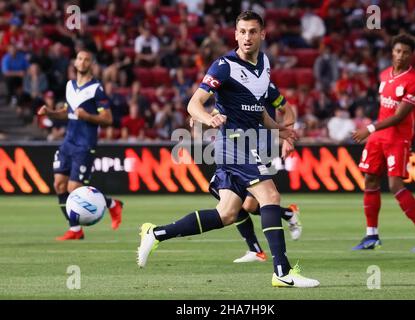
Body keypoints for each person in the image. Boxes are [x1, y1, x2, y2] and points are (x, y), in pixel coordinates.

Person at [137, 11, 319, 288]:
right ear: (235, 34)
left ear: (262, 35)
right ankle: (282, 272)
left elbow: (258, 111)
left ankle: (156, 233)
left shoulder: (265, 65)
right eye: (242, 31)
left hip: (245, 142)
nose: (247, 37)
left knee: (227, 214)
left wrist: (280, 130)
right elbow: (193, 103)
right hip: (233, 143)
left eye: (252, 31)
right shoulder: (224, 65)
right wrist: (208, 118)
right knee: (270, 196)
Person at [352, 34, 415, 252]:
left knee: (395, 185)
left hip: (398, 139)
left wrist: (369, 128)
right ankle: (371, 235)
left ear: (411, 55)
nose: (400, 56)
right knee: (370, 180)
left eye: (406, 52)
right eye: (398, 51)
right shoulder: (384, 75)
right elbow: (385, 110)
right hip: (378, 138)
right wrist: (373, 132)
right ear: (392, 52)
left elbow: (399, 116)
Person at [199, 82, 303, 264]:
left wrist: (288, 139)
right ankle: (259, 245)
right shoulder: (234, 86)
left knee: (247, 204)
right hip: (240, 149)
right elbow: (222, 112)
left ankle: (285, 218)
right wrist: (203, 117)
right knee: (238, 202)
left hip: (262, 150)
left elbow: (287, 110)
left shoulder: (265, 87)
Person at [37, 50, 123, 240]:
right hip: (68, 142)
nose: (83, 62)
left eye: (87, 59)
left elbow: (108, 119)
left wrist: (88, 116)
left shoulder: (96, 89)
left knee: (73, 189)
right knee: (59, 185)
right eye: (80, 59)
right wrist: (50, 112)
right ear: (75, 63)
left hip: (85, 144)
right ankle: (75, 230)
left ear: (91, 64)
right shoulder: (70, 85)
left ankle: (112, 204)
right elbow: (67, 112)